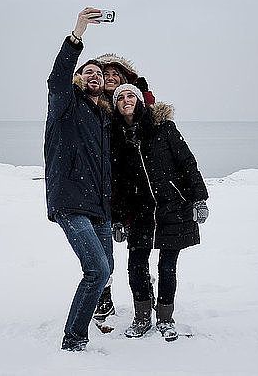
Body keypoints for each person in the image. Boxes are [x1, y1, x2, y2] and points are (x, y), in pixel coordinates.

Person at [110, 84, 209, 342]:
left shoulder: (163, 128)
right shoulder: (117, 137)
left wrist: (199, 199)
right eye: (120, 97)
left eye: (130, 95)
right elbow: (118, 183)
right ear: (116, 105)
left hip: (173, 208)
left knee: (167, 266)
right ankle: (142, 317)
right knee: (135, 266)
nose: (126, 100)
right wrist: (119, 218)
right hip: (140, 212)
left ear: (140, 100)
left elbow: (188, 162)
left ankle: (165, 318)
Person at [45, 7, 113, 351]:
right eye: (88, 71)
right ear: (78, 78)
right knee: (97, 271)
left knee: (107, 267)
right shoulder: (65, 104)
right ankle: (73, 340)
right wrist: (78, 35)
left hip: (97, 208)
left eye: (98, 73)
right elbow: (57, 78)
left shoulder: (102, 117)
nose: (93, 75)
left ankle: (88, 318)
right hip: (70, 202)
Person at [91, 54, 156, 323]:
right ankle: (104, 298)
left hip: (129, 186)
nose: (109, 77)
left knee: (136, 251)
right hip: (100, 184)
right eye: (105, 74)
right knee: (101, 246)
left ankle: (145, 290)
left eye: (115, 73)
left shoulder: (133, 104)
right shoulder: (92, 103)